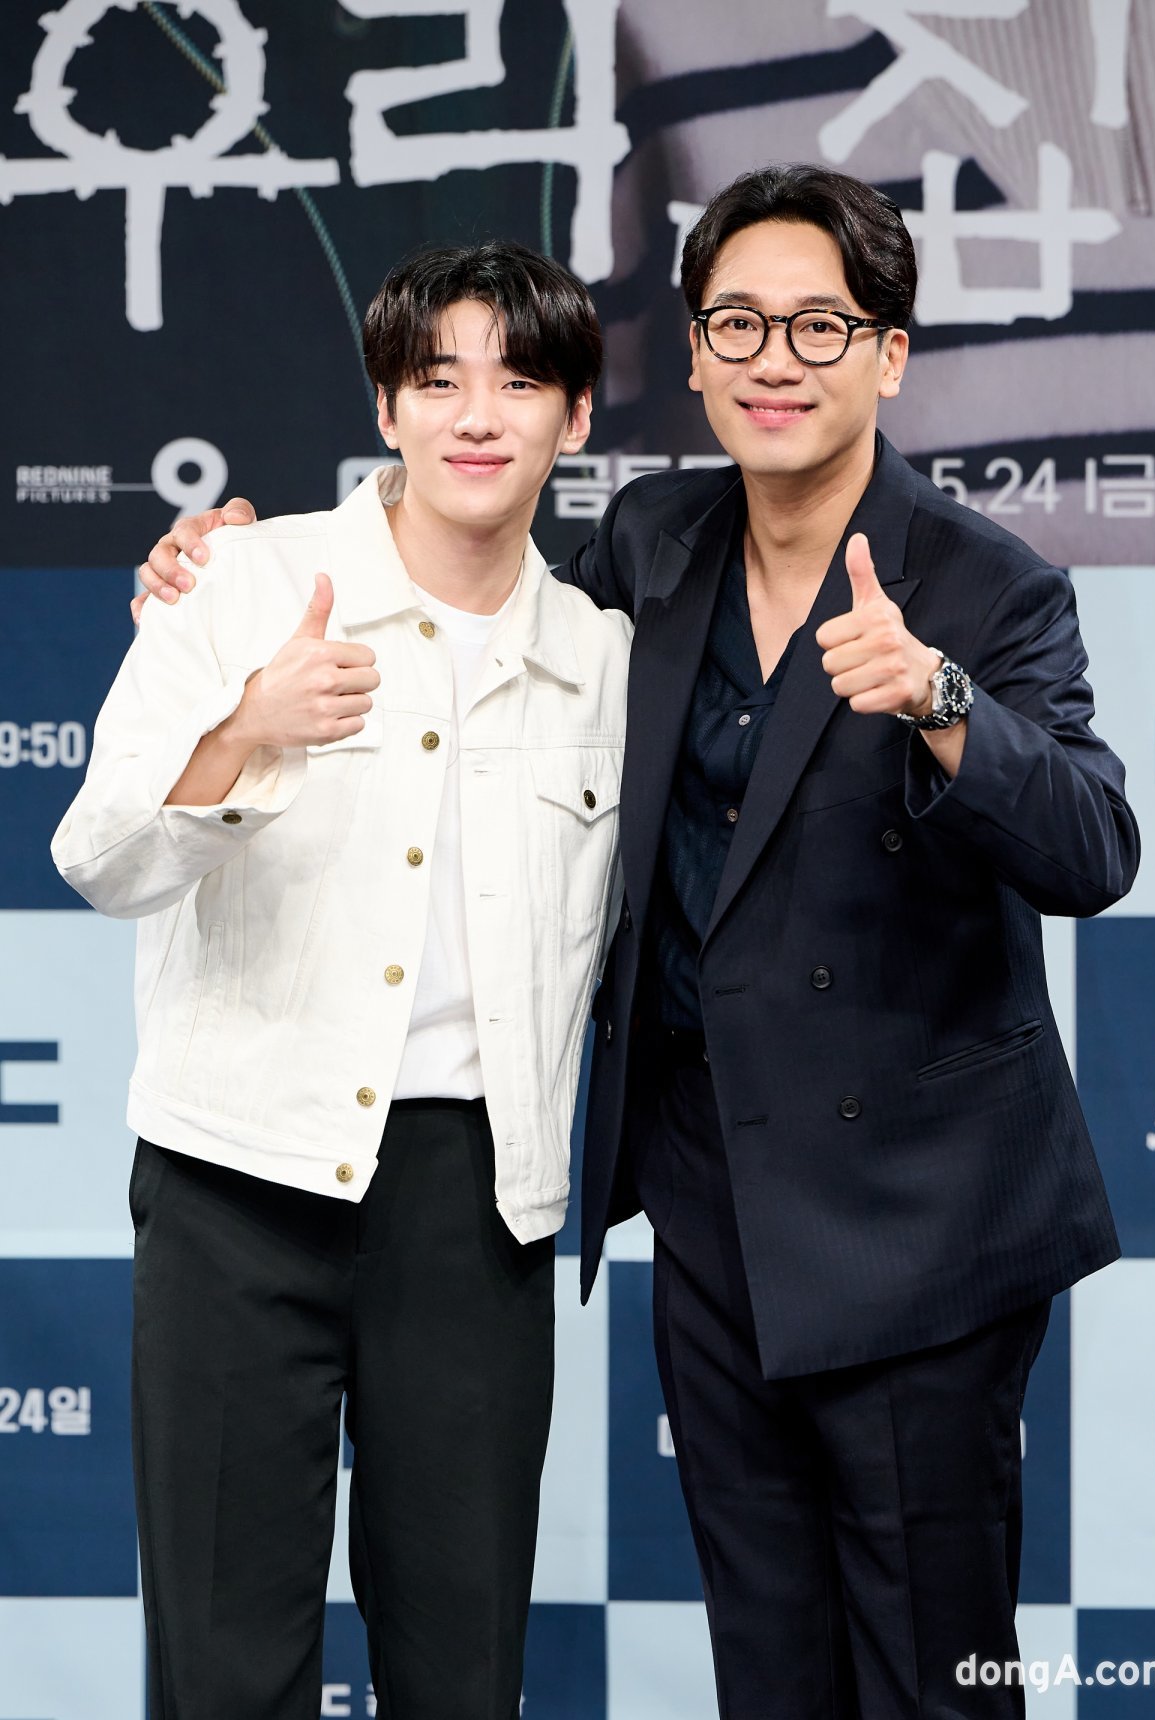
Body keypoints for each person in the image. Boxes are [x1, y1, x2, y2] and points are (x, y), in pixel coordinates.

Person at [140, 166, 1138, 1720]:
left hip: (920, 1227)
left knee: (938, 1676)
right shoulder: (653, 547)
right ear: (694, 355)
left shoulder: (987, 585)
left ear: (890, 354)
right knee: (769, 1666)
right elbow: (473, 602)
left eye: (820, 325)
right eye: (738, 323)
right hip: (717, 1216)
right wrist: (219, 578)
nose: (775, 359)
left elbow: (1094, 845)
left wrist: (943, 701)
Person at [54, 240, 631, 1720]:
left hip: (475, 1201)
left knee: (463, 1672)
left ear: (575, 418)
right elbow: (98, 855)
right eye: (438, 380)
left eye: (521, 381)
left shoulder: (605, 656)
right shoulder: (244, 581)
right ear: (386, 407)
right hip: (236, 1183)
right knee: (223, 1671)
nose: (477, 415)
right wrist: (245, 727)